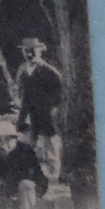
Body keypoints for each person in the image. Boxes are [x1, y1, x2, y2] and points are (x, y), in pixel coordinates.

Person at [14, 37, 64, 182]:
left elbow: (60, 92)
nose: (29, 54)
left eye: (32, 50)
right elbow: (22, 94)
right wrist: (21, 117)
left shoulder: (49, 71)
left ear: (40, 51)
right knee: (31, 143)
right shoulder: (23, 71)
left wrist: (53, 107)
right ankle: (36, 174)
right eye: (26, 51)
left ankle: (55, 173)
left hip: (47, 114)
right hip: (30, 114)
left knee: (51, 144)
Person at [0, 121, 50, 209]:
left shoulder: (25, 150)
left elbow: (30, 173)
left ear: (14, 138)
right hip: (8, 185)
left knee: (26, 185)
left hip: (30, 183)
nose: (3, 142)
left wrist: (10, 180)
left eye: (7, 138)